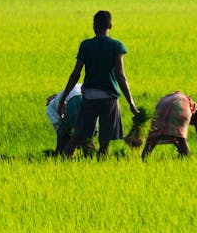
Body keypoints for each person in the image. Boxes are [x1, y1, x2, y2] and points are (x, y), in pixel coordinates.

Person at [56, 10, 140, 157]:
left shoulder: (86, 45)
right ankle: (102, 162)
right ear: (110, 25)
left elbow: (76, 74)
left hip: (89, 97)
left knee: (79, 135)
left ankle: (64, 159)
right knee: (104, 140)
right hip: (109, 98)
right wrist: (131, 103)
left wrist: (63, 98)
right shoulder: (116, 46)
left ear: (94, 26)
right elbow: (120, 76)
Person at [141, 91, 197, 160]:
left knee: (153, 138)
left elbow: (172, 135)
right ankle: (186, 161)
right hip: (180, 106)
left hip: (162, 105)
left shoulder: (177, 97)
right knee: (182, 139)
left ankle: (143, 160)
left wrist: (178, 147)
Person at [45, 83, 88, 155]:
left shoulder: (50, 107)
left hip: (74, 99)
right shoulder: (60, 95)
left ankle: (62, 154)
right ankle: (91, 155)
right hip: (88, 96)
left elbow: (58, 125)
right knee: (87, 130)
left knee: (64, 134)